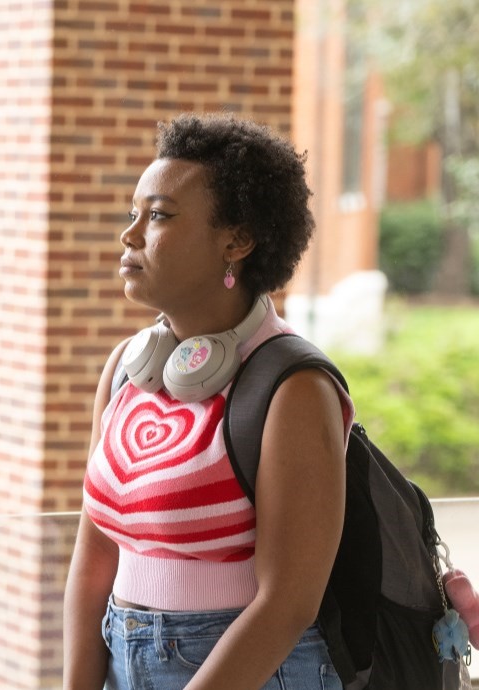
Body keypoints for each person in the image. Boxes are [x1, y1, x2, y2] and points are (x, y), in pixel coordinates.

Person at [62, 113, 354, 690]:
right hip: (122, 657)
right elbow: (95, 553)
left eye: (160, 216)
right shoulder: (126, 368)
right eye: (134, 214)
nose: (131, 235)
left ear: (237, 240)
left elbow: (288, 603)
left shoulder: (293, 387)